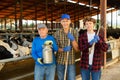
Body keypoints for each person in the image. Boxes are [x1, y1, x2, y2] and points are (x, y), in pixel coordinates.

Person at [53, 14, 79, 80]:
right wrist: (63, 49)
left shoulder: (74, 32)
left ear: (70, 21)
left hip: (70, 61)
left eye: (67, 21)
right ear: (61, 22)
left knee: (71, 78)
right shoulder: (57, 34)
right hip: (60, 61)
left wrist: (73, 40)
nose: (65, 23)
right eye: (63, 21)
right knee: (61, 78)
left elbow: (77, 49)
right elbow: (54, 48)